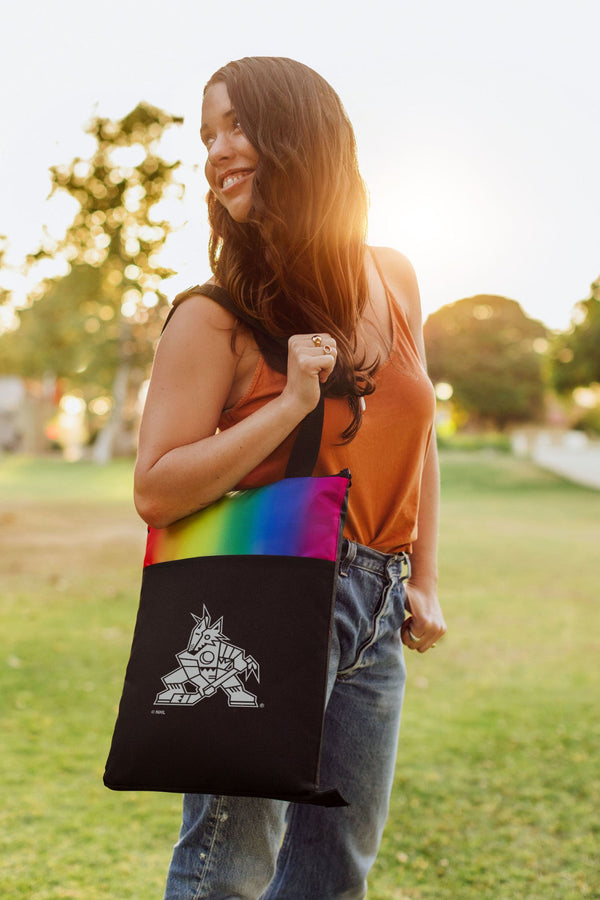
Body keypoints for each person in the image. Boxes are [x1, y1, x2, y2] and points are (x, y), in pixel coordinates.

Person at [134, 56, 447, 900]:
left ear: (300, 137)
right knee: (227, 864)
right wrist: (289, 403)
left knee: (333, 871)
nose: (216, 150)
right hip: (265, 591)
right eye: (207, 135)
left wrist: (421, 578)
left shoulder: (394, 276)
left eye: (235, 126)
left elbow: (418, 441)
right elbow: (156, 489)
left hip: (375, 606)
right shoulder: (214, 315)